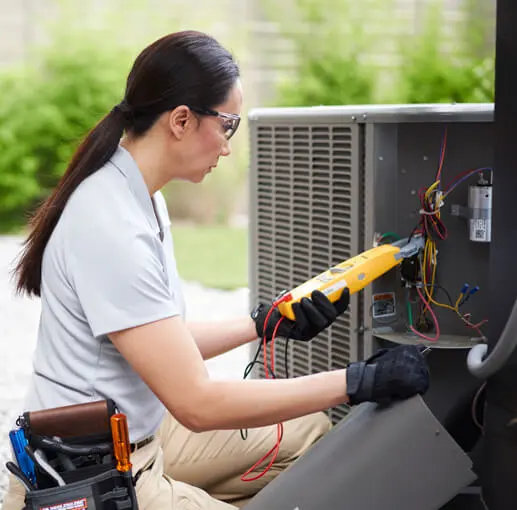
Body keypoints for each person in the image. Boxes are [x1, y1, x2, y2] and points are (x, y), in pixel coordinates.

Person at [3, 30, 430, 510]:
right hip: (90, 478)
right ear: (181, 120)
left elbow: (165, 340)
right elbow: (198, 404)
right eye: (227, 124)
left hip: (138, 442)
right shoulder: (110, 225)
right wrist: (357, 381)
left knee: (310, 433)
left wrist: (267, 323)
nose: (228, 146)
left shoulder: (140, 197)